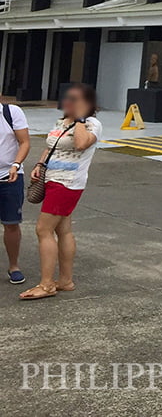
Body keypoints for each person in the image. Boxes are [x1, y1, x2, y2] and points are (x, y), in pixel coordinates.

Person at [19, 84, 101, 300]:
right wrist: (39, 164)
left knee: (42, 230)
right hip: (52, 179)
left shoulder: (92, 124)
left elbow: (82, 144)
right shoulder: (61, 121)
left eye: (75, 99)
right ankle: (65, 280)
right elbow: (51, 145)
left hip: (67, 183)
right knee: (62, 230)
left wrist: (81, 119)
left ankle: (46, 285)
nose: (68, 102)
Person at [0, 100, 31, 285]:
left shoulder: (11, 112)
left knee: (11, 224)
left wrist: (16, 164)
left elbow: (25, 142)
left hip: (9, 176)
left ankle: (14, 266)